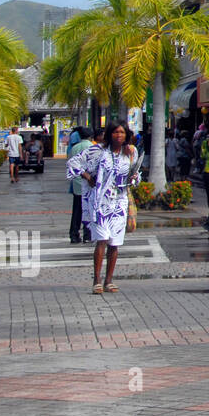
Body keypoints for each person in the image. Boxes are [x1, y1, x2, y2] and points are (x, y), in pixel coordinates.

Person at [68, 121, 139, 294]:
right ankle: (96, 280)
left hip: (119, 203)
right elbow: (73, 164)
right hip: (100, 202)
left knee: (115, 243)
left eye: (122, 132)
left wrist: (133, 179)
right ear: (109, 134)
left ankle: (109, 280)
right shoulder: (97, 151)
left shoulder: (130, 152)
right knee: (102, 239)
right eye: (115, 132)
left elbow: (136, 176)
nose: (119, 136)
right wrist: (86, 176)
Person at [67, 126, 94, 243]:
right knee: (88, 209)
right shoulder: (92, 147)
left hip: (77, 182)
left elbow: (71, 163)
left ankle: (74, 234)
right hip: (88, 182)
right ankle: (87, 235)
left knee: (77, 210)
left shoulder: (74, 147)